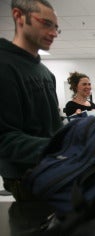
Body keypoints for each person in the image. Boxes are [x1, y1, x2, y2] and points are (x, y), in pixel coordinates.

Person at [0, 0, 63, 201]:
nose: (53, 32)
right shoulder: (4, 66)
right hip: (26, 178)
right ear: (19, 16)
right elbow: (4, 138)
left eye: (56, 27)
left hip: (53, 169)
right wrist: (62, 148)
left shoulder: (45, 73)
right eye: (46, 23)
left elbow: (52, 124)